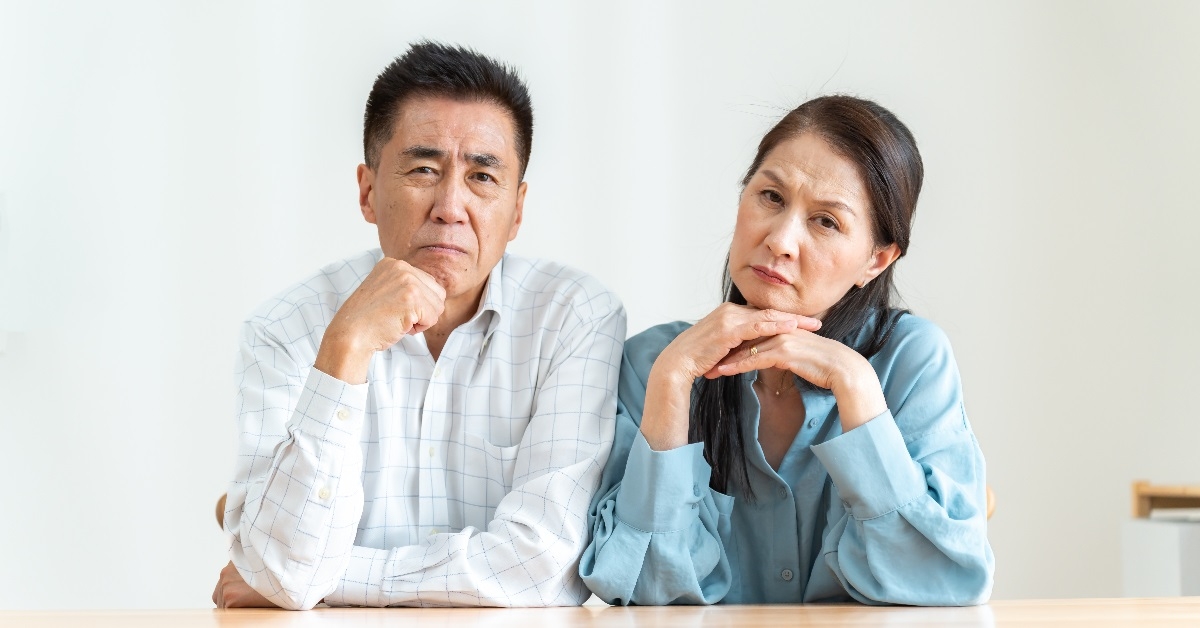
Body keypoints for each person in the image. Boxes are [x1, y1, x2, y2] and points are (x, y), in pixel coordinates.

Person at [212, 41, 626, 610]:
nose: (450, 206)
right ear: (367, 191)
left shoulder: (574, 317)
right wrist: (345, 349)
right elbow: (283, 569)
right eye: (424, 169)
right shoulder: (285, 329)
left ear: (518, 210)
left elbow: (543, 571)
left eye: (483, 177)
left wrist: (329, 577)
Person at [578, 95, 994, 605]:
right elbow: (643, 590)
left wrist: (858, 391)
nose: (781, 240)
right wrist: (672, 382)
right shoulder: (656, 363)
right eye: (771, 197)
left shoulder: (911, 360)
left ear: (876, 259)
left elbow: (940, 583)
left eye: (826, 221)